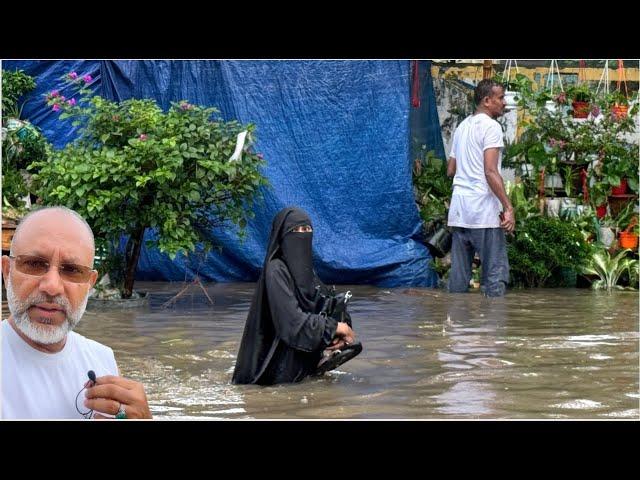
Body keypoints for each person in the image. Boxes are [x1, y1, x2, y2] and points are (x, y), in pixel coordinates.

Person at [1, 206, 152, 419]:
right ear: (7, 272)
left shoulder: (102, 359)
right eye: (34, 264)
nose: (52, 286)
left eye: (72, 270)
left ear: (90, 284)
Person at [232, 207, 361, 385]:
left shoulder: (308, 274)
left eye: (307, 229)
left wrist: (338, 334)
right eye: (297, 230)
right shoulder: (276, 271)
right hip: (271, 376)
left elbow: (323, 305)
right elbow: (291, 322)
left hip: (302, 371)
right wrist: (334, 328)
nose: (303, 235)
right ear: (283, 235)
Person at [446, 79, 515, 297]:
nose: (504, 103)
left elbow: (450, 170)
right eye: (501, 98)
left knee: (458, 282)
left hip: (459, 211)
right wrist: (508, 208)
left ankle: (455, 327)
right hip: (483, 212)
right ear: (487, 101)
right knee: (495, 279)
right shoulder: (492, 127)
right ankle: (493, 328)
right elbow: (490, 171)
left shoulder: (462, 127)